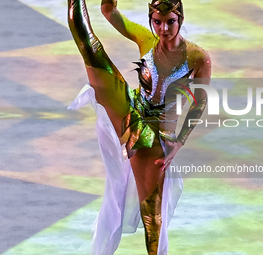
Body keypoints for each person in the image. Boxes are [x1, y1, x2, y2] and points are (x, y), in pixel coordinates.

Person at [67, 0, 211, 254]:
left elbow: (200, 101)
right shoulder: (145, 38)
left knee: (152, 220)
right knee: (89, 45)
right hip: (130, 110)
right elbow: (109, 12)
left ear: (181, 19)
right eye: (157, 21)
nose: (163, 28)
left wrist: (180, 141)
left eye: (170, 22)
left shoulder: (198, 58)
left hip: (155, 137)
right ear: (150, 20)